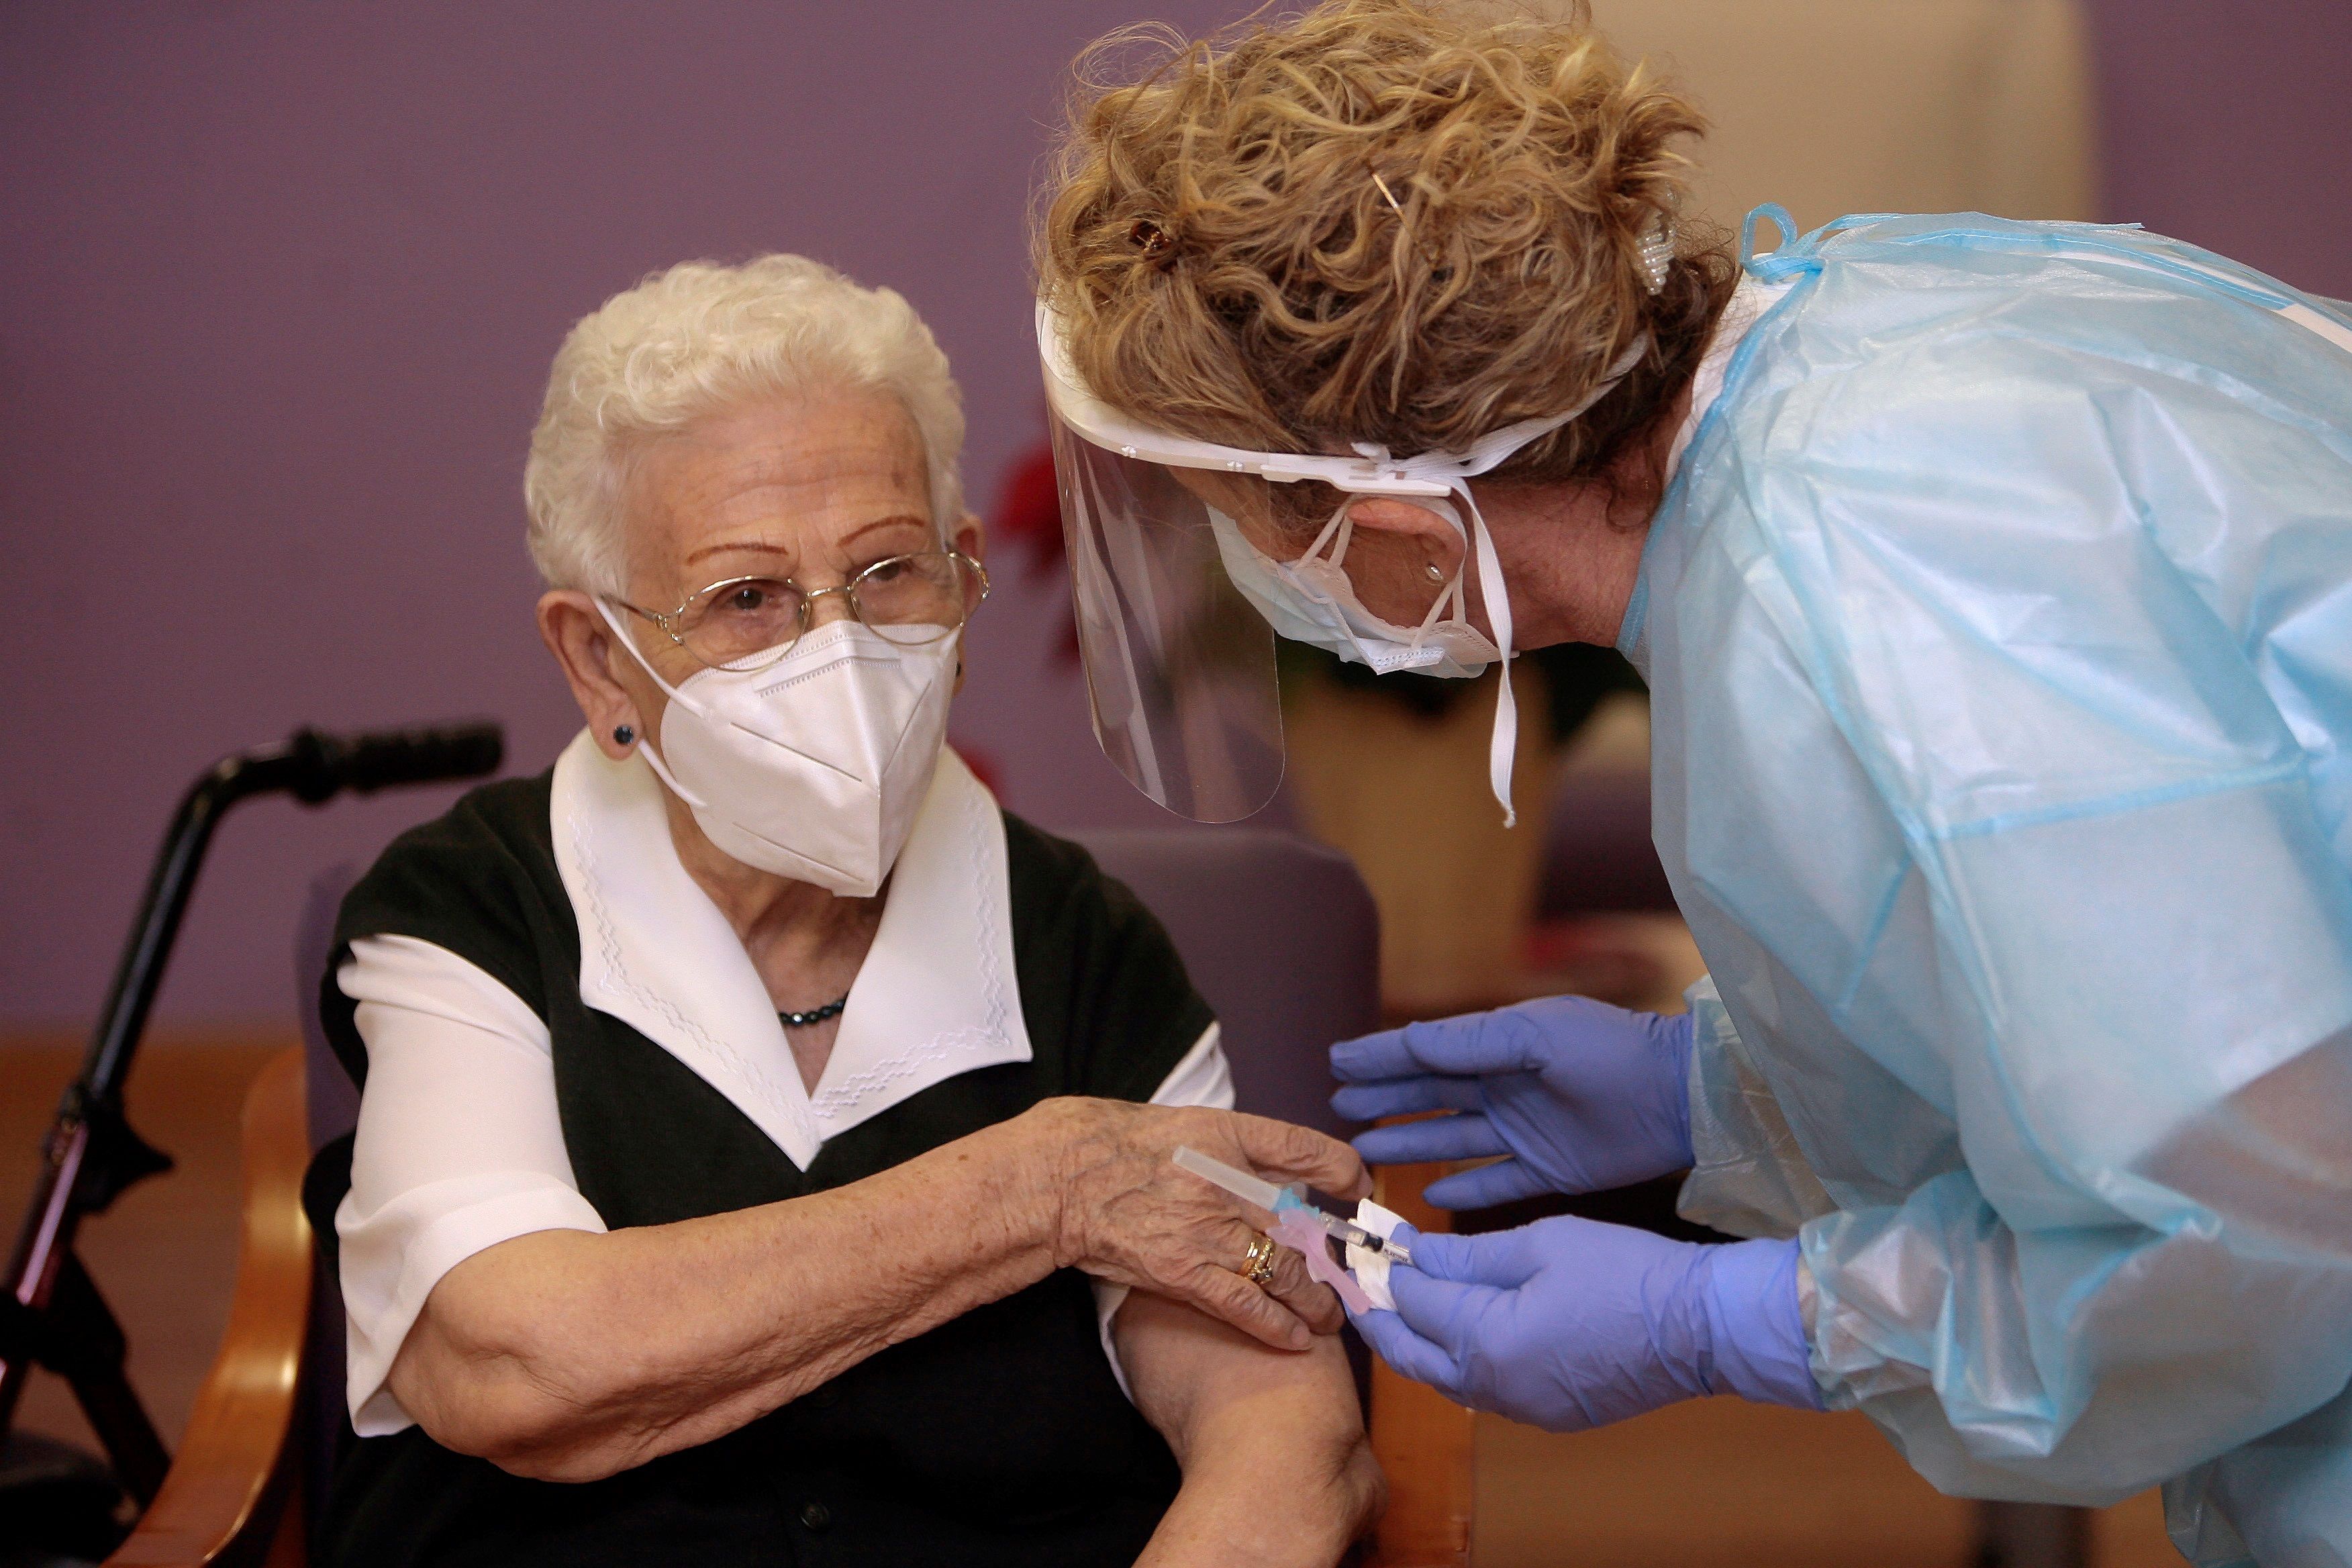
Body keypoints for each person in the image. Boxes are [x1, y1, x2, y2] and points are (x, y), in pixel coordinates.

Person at [1030, 2, 2352, 1562]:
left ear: (1390, 529)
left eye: (1238, 518)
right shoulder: (1849, 340)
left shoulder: (1840, 594)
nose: (1258, 575)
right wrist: (1718, 1089)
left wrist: (1741, 1319)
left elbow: (2262, 1218)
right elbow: (2163, 966)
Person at [303, 254, 1383, 1567]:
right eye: (747, 597)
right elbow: (517, 1360)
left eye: (886, 572)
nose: (839, 645)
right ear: (601, 660)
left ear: (963, 577)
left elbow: (1278, 1416)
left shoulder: (1078, 942)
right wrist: (1035, 1188)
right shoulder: (475, 908)